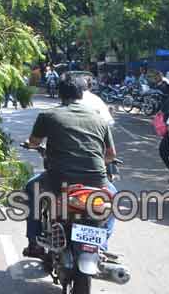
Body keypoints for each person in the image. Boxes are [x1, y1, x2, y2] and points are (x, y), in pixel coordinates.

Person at [22, 75, 117, 258]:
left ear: (59, 94)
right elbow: (111, 155)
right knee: (112, 201)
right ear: (82, 94)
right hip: (97, 181)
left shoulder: (48, 115)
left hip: (59, 179)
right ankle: (102, 246)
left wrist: (31, 145)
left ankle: (34, 243)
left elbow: (34, 142)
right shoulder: (99, 119)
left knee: (31, 188)